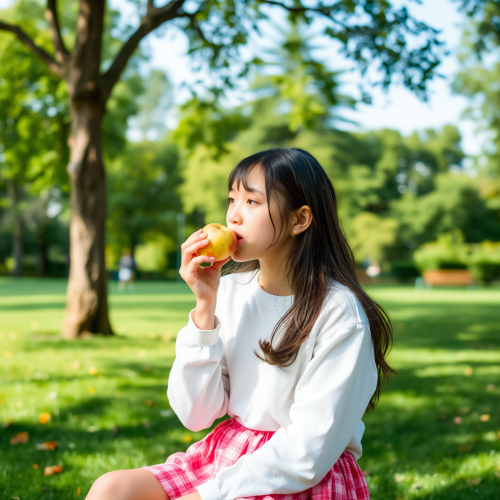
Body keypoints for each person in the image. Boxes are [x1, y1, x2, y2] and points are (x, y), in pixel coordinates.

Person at [86, 148, 397, 500]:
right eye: (232, 199)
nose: (233, 215)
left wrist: (208, 496)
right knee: (111, 490)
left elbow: (309, 451)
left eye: (252, 202)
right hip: (228, 453)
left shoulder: (339, 313)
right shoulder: (231, 290)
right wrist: (205, 307)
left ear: (300, 219)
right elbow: (195, 414)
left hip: (300, 475)